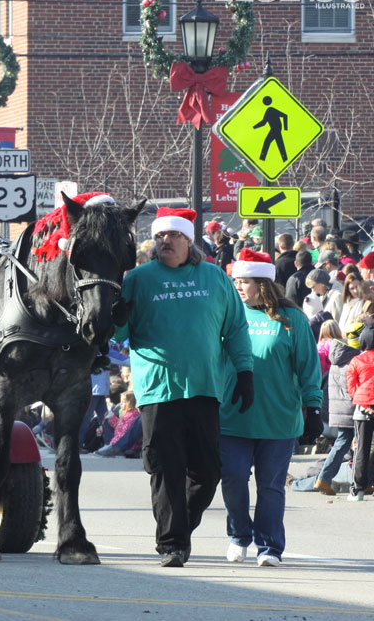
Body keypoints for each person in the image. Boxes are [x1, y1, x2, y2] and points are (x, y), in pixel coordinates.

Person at [115, 207, 254, 567]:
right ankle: (172, 543)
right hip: (158, 389)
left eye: (173, 235)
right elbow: (117, 333)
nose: (166, 241)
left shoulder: (214, 277)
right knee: (165, 467)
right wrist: (115, 316)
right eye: (160, 236)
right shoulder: (139, 279)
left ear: (188, 240)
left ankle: (179, 528)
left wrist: (244, 371)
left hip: (205, 387)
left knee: (207, 472)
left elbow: (236, 327)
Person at [219, 249, 322, 567]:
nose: (237, 287)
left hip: (278, 419)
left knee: (270, 486)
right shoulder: (228, 315)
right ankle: (239, 535)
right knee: (233, 477)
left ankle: (270, 546)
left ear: (262, 283)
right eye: (235, 281)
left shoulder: (292, 319)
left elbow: (308, 365)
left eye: (244, 281)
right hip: (233, 417)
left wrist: (313, 407)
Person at [312, 323, 362, 495]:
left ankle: (325, 478)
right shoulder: (354, 359)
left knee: (344, 444)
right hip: (351, 410)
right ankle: (325, 478)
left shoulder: (338, 357)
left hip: (339, 409)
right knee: (351, 445)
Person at [346, 325, 374, 501]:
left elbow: (351, 386)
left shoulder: (357, 360)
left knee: (361, 449)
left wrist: (364, 402)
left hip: (363, 409)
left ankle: (358, 489)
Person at [95, 391, 143, 458]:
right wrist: (110, 419)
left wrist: (113, 419)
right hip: (119, 438)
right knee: (106, 420)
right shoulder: (124, 412)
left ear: (131, 403)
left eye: (123, 402)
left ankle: (115, 448)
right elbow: (119, 427)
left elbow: (125, 430)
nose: (120, 404)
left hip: (131, 445)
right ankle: (109, 445)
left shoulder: (133, 414)